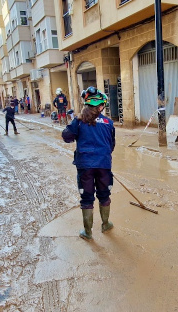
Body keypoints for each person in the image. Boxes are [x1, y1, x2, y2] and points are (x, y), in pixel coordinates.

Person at [62, 87, 115, 240]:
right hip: (104, 164)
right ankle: (105, 224)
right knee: (104, 195)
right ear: (100, 106)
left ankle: (88, 232)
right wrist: (102, 157)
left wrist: (74, 122)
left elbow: (66, 137)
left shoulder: (79, 121)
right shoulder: (109, 123)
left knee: (87, 198)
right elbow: (111, 145)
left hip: (85, 166)